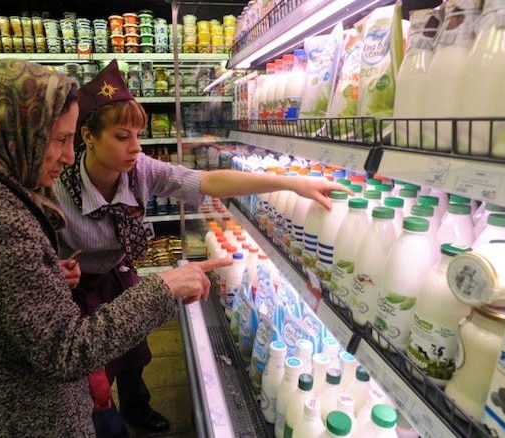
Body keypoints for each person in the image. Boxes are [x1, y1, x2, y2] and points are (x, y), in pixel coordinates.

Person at [0, 59, 231, 437]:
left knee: (131, 365)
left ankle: (133, 408)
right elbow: (65, 351)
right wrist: (163, 287)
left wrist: (45, 274)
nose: (69, 157)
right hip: (27, 417)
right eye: (57, 139)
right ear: (12, 129)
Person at [54, 60, 354, 434]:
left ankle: (138, 407)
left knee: (132, 351)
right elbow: (38, 245)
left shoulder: (140, 169)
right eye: (121, 137)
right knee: (93, 374)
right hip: (75, 288)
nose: (136, 147)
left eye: (138, 134)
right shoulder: (57, 184)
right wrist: (57, 266)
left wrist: (291, 184)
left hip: (117, 272)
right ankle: (102, 420)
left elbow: (209, 181)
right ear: (87, 136)